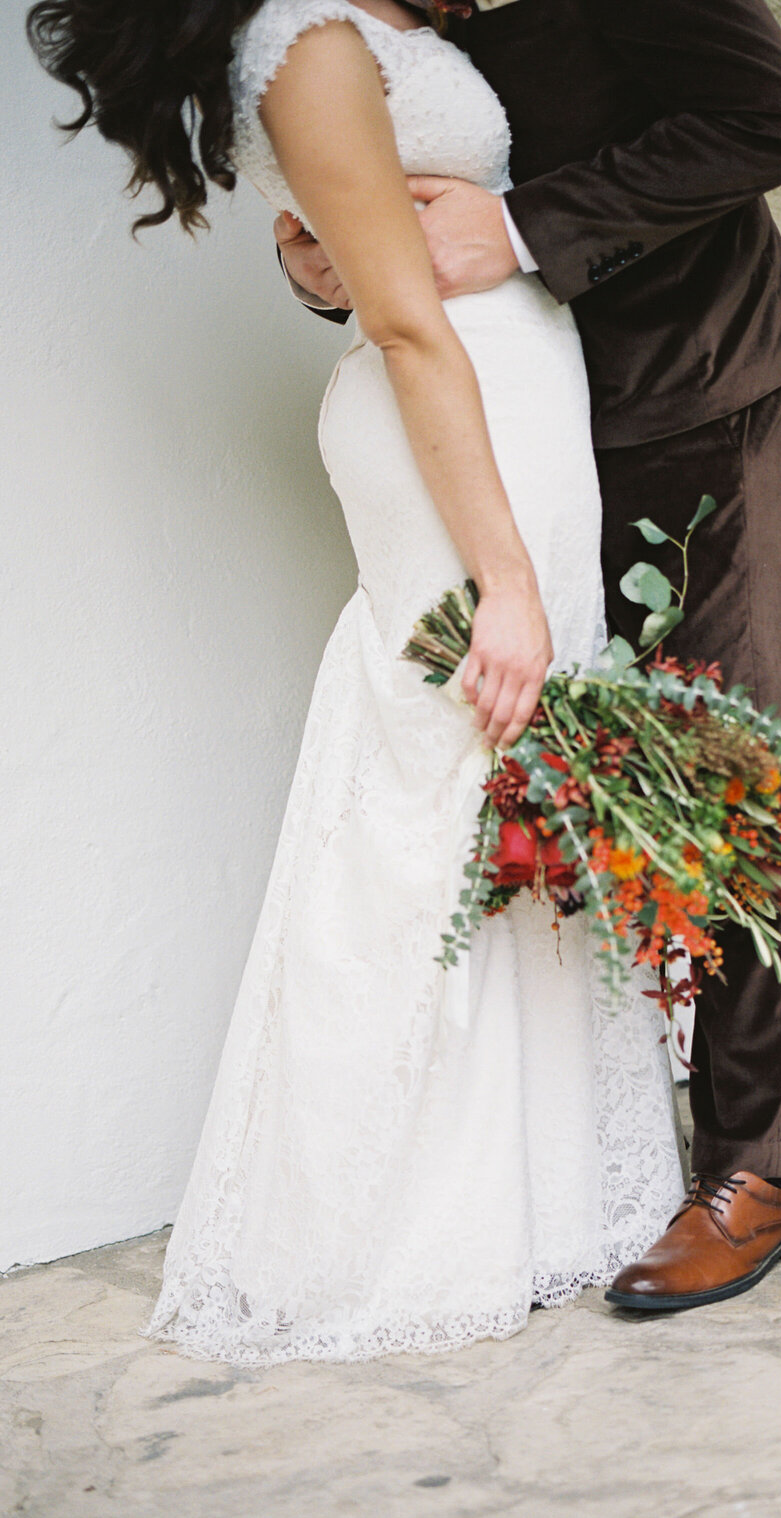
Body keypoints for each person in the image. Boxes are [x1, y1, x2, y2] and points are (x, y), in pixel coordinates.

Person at [28, 0, 689, 1362]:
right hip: (454, 433)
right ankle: (380, 1225)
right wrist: (502, 573)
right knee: (438, 795)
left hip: (509, 407)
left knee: (517, 792)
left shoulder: (358, 23)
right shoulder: (307, 40)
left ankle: (536, 1195)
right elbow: (404, 323)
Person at [279, 0, 781, 1312]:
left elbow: (770, 121)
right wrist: (325, 261)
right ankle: (584, 1158)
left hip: (684, 395)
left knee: (722, 764)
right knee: (550, 787)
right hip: (513, 428)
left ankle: (757, 1171)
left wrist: (522, 231)